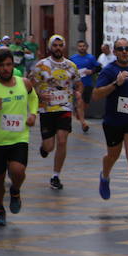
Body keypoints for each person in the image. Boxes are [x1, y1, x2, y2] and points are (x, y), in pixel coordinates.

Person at [0, 50, 39, 226]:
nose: (6, 69)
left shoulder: (24, 83)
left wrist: (33, 115)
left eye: (9, 64)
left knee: (18, 171)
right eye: (1, 65)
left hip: (19, 137)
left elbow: (33, 99)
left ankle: (15, 190)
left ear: (13, 65)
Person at [93, 38, 128, 212]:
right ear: (115, 52)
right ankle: (105, 176)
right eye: (120, 49)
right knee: (113, 156)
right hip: (113, 121)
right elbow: (96, 95)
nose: (124, 51)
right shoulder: (109, 71)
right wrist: (116, 83)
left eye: (127, 48)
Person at [30, 35, 83, 190]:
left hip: (65, 107)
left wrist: (78, 93)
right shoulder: (41, 65)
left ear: (64, 47)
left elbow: (78, 84)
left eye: (60, 45)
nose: (58, 48)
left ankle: (56, 175)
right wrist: (40, 95)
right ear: (50, 47)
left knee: (62, 141)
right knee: (49, 147)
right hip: (46, 109)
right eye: (55, 45)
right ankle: (44, 148)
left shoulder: (71, 66)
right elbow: (29, 85)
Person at [69, 40, 101, 133]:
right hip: (77, 84)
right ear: (77, 47)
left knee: (85, 104)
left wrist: (91, 71)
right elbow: (67, 69)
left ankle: (78, 111)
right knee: (80, 101)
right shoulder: (73, 58)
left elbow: (99, 68)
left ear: (86, 47)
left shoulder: (91, 58)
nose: (82, 48)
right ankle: (83, 123)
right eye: (80, 46)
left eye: (83, 46)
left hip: (88, 84)